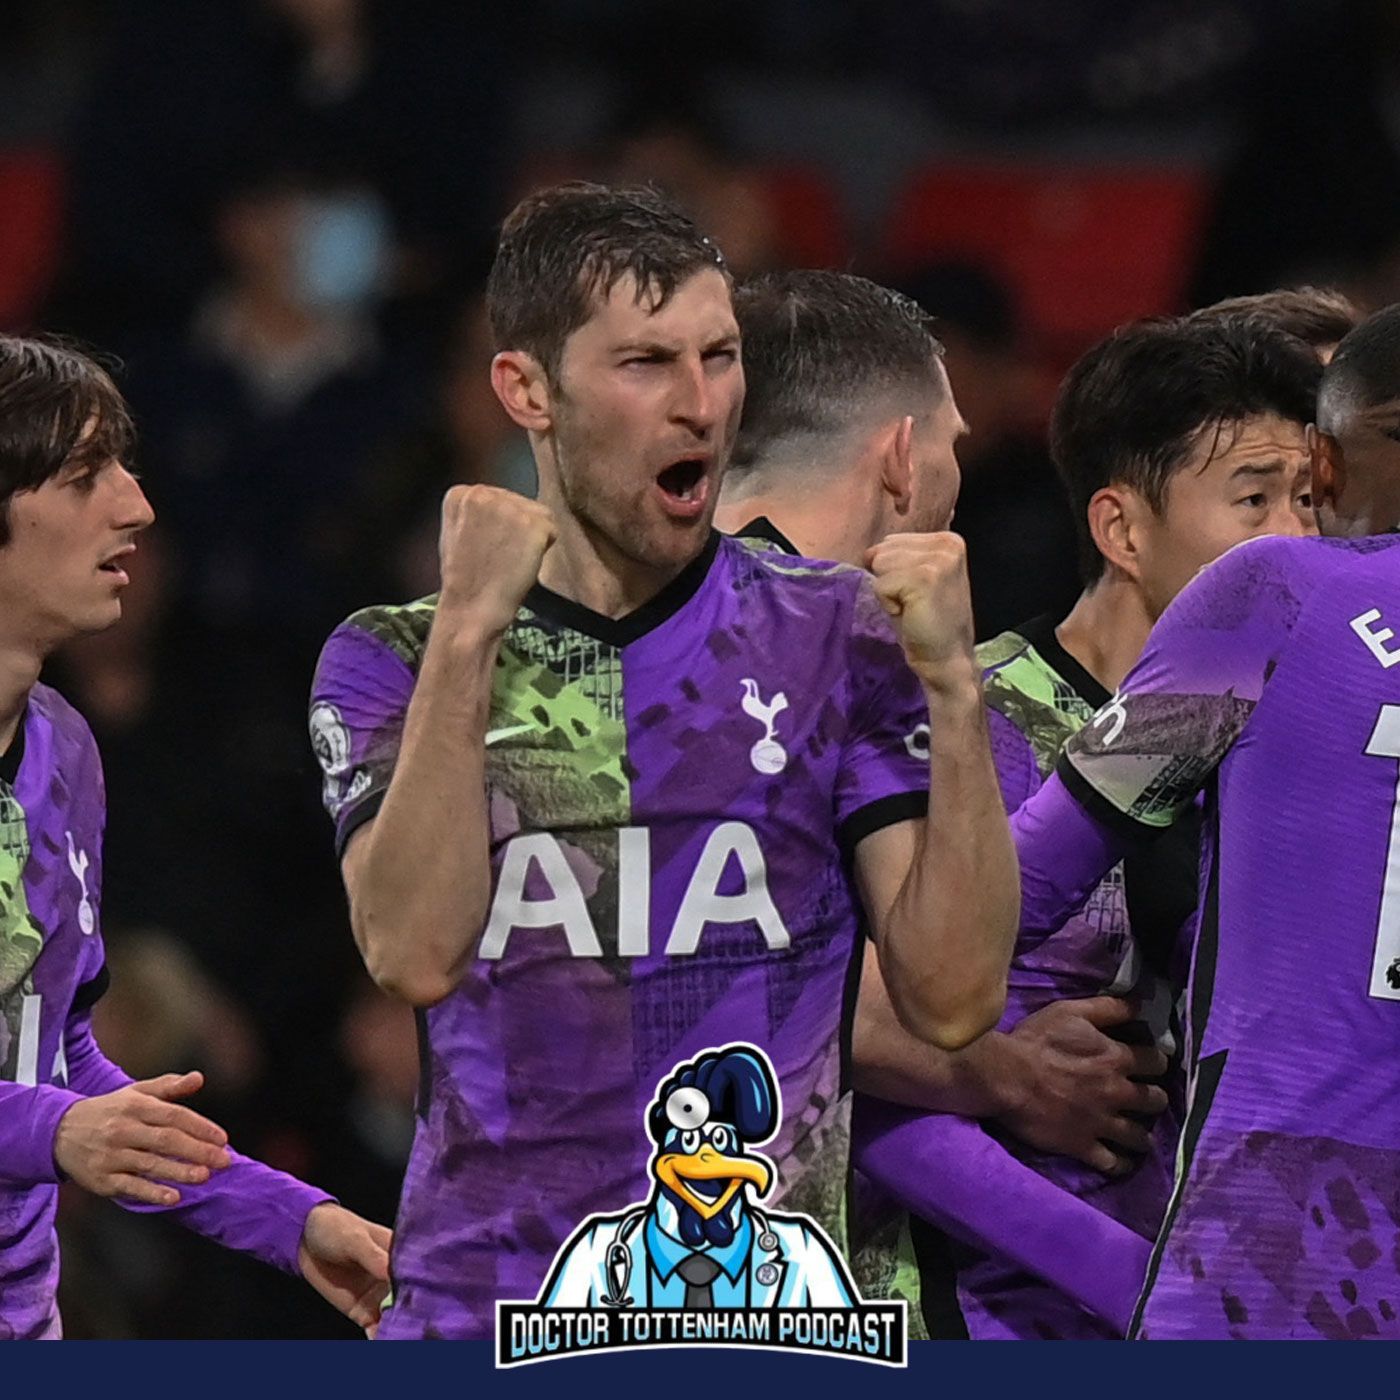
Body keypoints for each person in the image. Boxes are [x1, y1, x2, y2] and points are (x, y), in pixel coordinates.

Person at [310, 183, 1018, 1339]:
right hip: (491, 1313)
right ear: (527, 390)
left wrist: (951, 687)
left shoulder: (836, 631)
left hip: (769, 1322)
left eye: (719, 357)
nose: (698, 403)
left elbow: (954, 998)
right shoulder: (391, 653)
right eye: (645, 362)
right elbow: (412, 950)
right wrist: (470, 630)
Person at [719, 280, 1321, 1337]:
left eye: (1310, 500)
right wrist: (1144, 1290)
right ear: (1120, 528)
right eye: (1255, 499)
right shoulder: (957, 726)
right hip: (975, 1314)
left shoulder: (1301, 747)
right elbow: (834, 1051)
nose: (1296, 539)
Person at [1002, 303, 1400, 1339]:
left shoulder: (1272, 594)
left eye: (1295, 491)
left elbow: (1018, 891)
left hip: (1283, 1243)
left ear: (1326, 464)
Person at [0, 335, 391, 1340]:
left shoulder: (66, 752)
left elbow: (63, 1067)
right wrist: (58, 1129)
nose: (137, 505)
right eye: (86, 474)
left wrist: (290, 1218)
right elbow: (60, 1116)